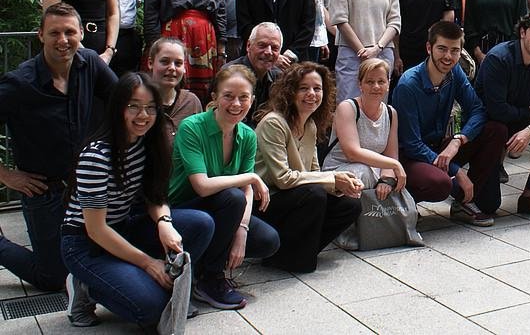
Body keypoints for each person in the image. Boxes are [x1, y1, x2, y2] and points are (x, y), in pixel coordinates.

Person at [60, 73, 213, 328]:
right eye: (133, 106)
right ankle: (86, 286)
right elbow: (96, 230)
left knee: (201, 223)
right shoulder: (96, 156)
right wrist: (148, 263)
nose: (143, 116)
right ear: (118, 108)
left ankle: (155, 283)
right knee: (153, 311)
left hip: (123, 227)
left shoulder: (146, 144)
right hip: (86, 244)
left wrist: (165, 222)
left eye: (150, 108)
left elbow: (156, 196)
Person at [0, 3, 117, 291]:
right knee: (53, 278)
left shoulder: (89, 63)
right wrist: (6, 176)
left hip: (84, 187)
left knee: (97, 259)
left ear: (81, 35)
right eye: (54, 33)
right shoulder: (19, 84)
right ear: (41, 35)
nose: (63, 40)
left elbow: (123, 101)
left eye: (69, 32)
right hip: (44, 191)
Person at [168, 64, 280, 310]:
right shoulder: (191, 127)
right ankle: (210, 278)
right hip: (183, 209)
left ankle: (203, 265)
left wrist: (240, 231)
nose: (236, 104)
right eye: (228, 96)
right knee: (232, 197)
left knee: (267, 240)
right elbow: (202, 186)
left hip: (223, 210)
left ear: (253, 99)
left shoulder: (247, 135)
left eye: (243, 97)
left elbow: (247, 188)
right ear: (215, 97)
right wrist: (249, 178)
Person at [394, 21, 506, 226]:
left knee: (495, 130)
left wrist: (458, 140)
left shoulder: (455, 73)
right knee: (440, 183)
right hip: (409, 156)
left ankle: (464, 201)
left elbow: (478, 110)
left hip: (441, 146)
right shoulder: (408, 85)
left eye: (455, 51)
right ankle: (404, 199)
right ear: (429, 48)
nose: (448, 57)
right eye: (442, 49)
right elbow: (411, 144)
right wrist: (456, 171)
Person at [253, 63, 363, 272]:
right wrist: (332, 179)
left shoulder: (310, 124)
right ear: (290, 91)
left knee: (350, 205)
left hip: (296, 195)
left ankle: (299, 252)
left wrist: (341, 183)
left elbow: (314, 173)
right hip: (266, 201)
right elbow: (282, 179)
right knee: (314, 195)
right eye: (304, 88)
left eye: (317, 88)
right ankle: (288, 256)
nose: (311, 94)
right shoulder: (274, 123)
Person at [476, 10, 530, 220]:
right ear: (523, 32)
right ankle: (473, 184)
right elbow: (496, 109)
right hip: (490, 125)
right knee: (489, 205)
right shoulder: (498, 58)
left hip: (519, 121)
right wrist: (528, 114)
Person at [322, 58, 408, 202]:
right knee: (360, 175)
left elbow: (391, 155)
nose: (376, 86)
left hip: (373, 172)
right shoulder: (347, 108)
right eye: (370, 82)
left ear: (388, 84)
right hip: (342, 171)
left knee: (385, 184)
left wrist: (386, 180)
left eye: (381, 81)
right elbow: (352, 153)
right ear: (360, 84)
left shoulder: (391, 113)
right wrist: (394, 165)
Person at [226, 22, 285, 124]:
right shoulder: (229, 75)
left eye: (275, 48)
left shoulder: (279, 78)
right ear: (248, 46)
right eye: (262, 45)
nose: (268, 52)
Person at [147, 37, 202, 144]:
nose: (172, 68)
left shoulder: (191, 102)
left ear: (185, 68)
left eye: (178, 63)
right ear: (150, 63)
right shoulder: (141, 102)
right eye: (165, 61)